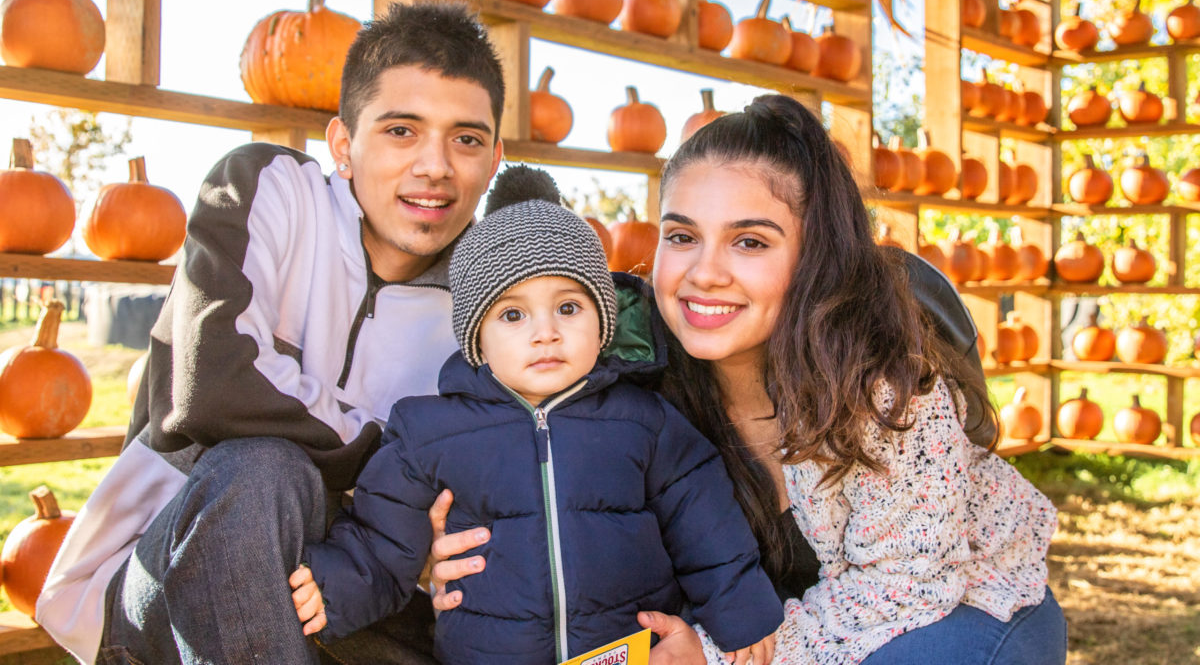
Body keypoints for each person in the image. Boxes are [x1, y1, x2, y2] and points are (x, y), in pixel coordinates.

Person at [429, 94, 1067, 665]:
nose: (704, 273)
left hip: (952, 613)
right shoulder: (631, 382)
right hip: (782, 638)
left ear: (814, 255)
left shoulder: (883, 385)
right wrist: (449, 555)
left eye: (750, 243)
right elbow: (545, 482)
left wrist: (710, 656)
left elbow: (907, 584)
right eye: (682, 236)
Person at [36, 2, 508, 665]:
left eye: (466, 139)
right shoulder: (267, 188)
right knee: (262, 469)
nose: (435, 165)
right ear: (343, 145)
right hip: (166, 579)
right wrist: (402, 465)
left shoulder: (494, 307)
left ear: (494, 161)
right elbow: (217, 386)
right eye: (402, 130)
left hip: (357, 595)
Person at [287, 164, 783, 665]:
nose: (544, 332)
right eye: (513, 315)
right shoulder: (430, 431)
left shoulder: (643, 420)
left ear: (602, 322)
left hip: (627, 652)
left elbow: (703, 518)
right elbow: (383, 532)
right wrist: (339, 582)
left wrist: (738, 606)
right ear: (477, 337)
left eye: (568, 308)